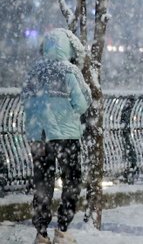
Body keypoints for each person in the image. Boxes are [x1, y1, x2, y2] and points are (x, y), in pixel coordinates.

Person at [21, 28, 92, 244]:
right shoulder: (69, 71)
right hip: (65, 135)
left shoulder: (35, 71)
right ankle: (62, 228)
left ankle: (41, 232)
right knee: (71, 180)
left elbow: (25, 99)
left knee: (43, 183)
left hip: (39, 135)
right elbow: (82, 103)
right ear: (67, 47)